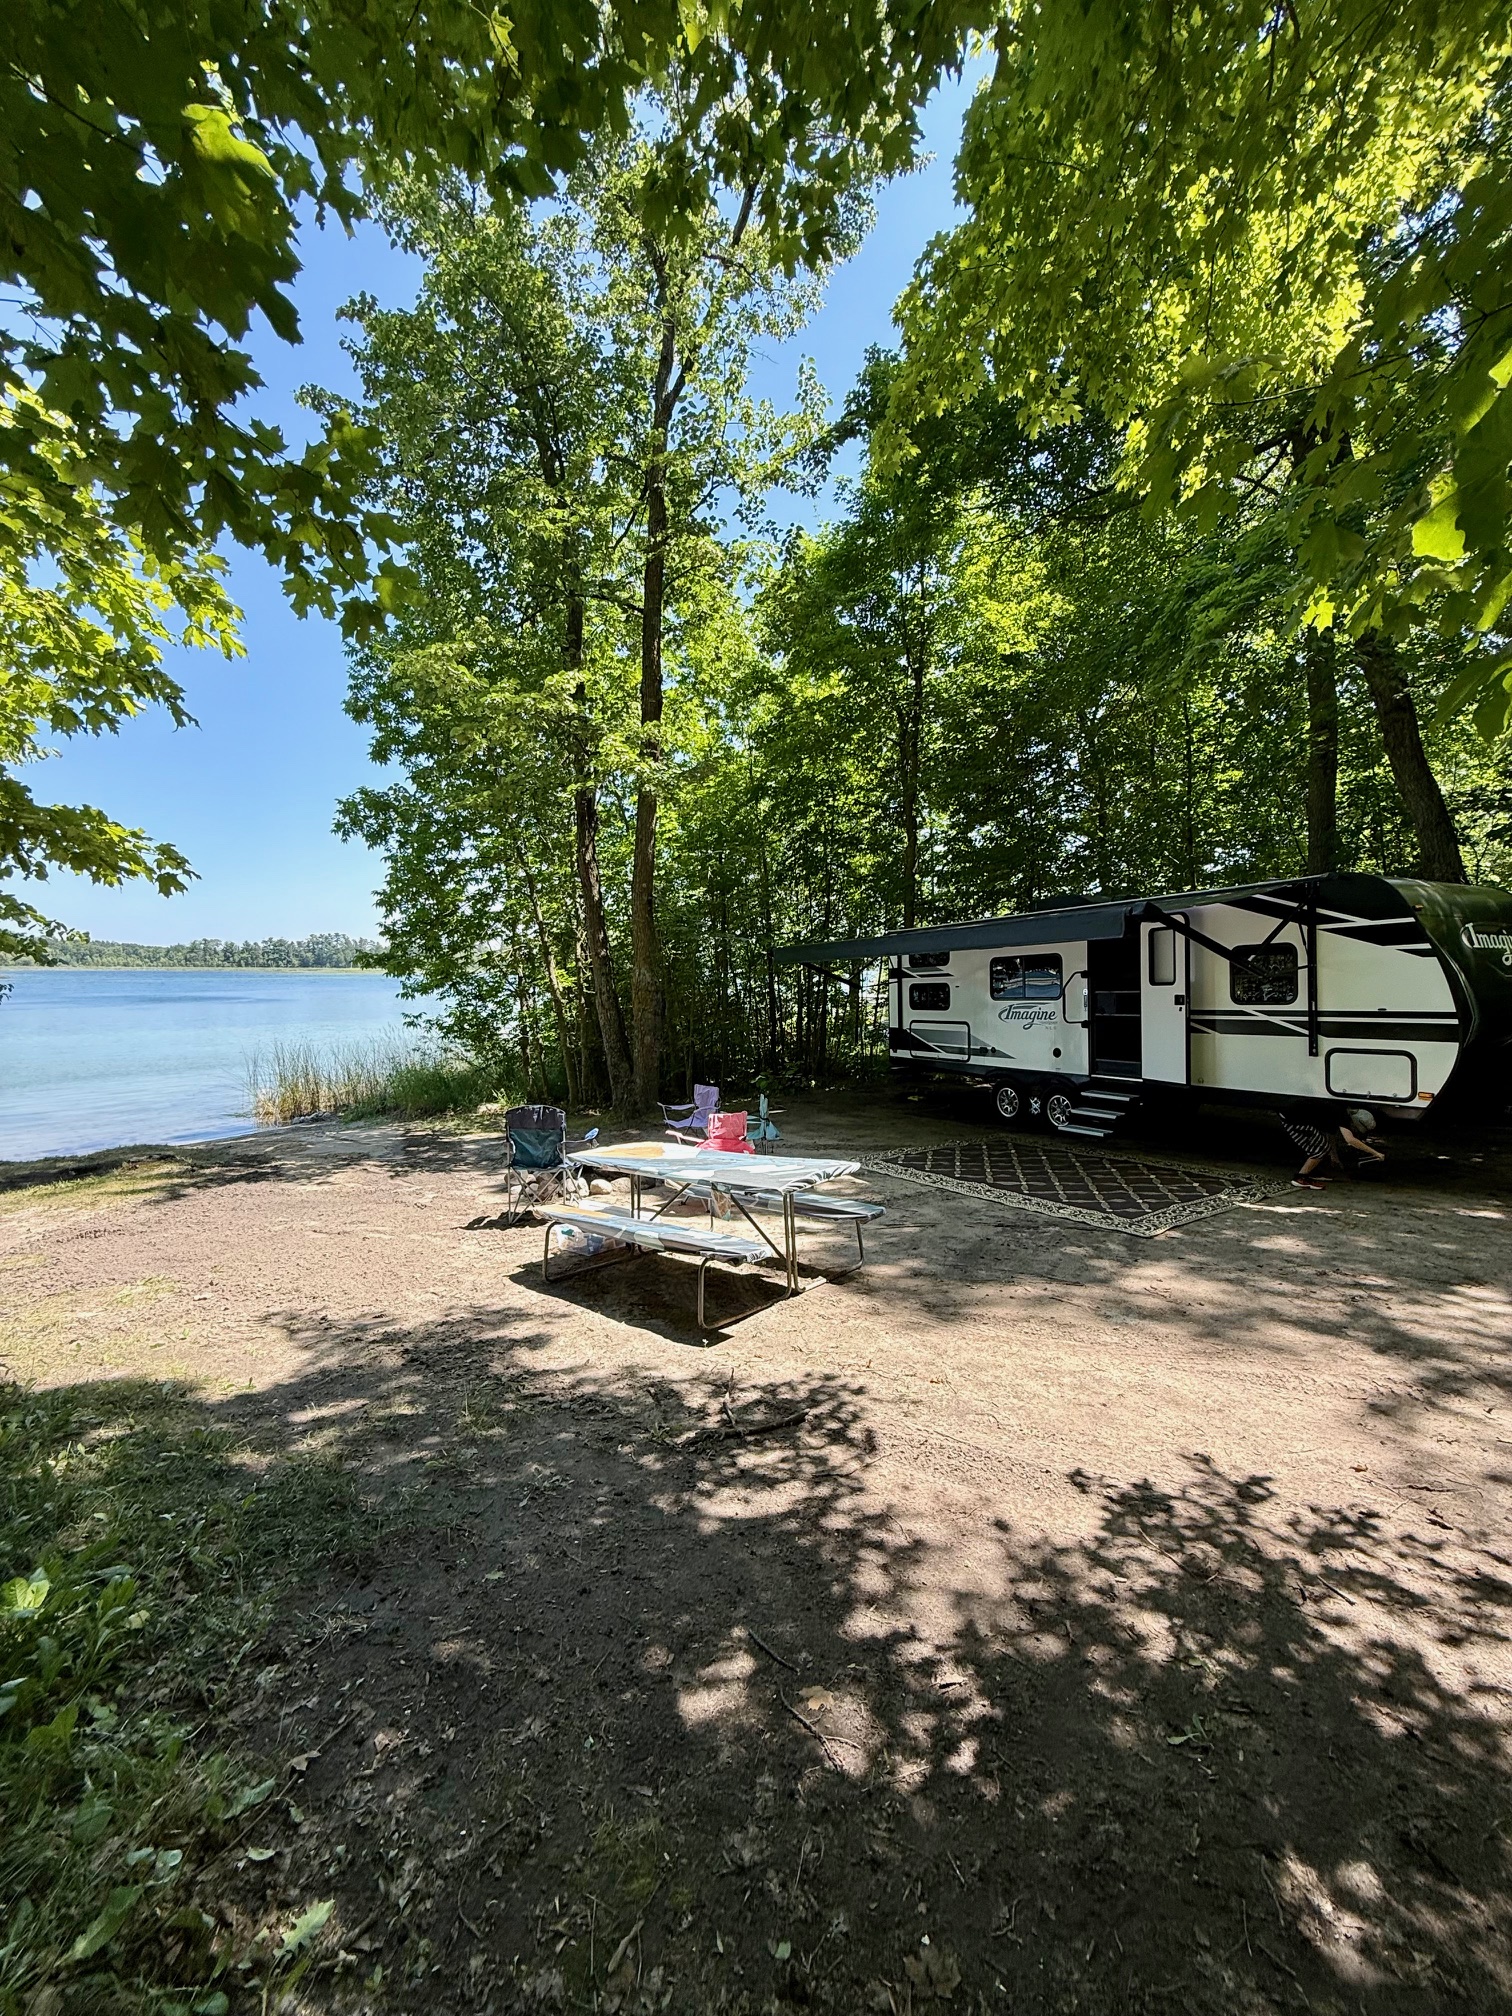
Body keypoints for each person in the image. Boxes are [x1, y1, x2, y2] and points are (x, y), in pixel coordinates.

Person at [1280, 1105, 1386, 1189]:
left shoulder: (1341, 1112)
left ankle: (1312, 1171)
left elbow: (1330, 1135)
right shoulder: (1343, 1117)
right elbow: (1350, 1140)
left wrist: (1334, 1156)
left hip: (1292, 1114)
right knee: (1321, 1148)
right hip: (1293, 1118)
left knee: (1320, 1145)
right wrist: (1375, 1153)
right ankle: (1300, 1177)